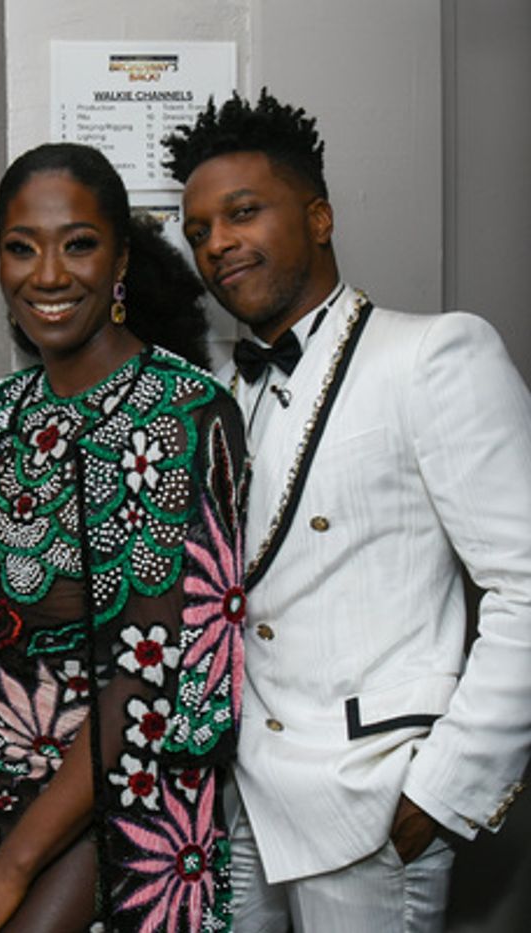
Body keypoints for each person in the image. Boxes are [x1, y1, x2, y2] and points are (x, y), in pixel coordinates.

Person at [0, 143, 248, 933]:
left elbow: (149, 674)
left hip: (125, 788)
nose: (49, 274)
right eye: (21, 247)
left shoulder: (184, 415)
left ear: (122, 258)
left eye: (79, 243)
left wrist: (14, 869)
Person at [161, 90, 531, 932]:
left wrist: (445, 790)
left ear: (319, 217)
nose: (217, 243)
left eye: (243, 213)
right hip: (242, 794)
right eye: (199, 231)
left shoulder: (435, 355)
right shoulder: (222, 391)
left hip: (370, 795)